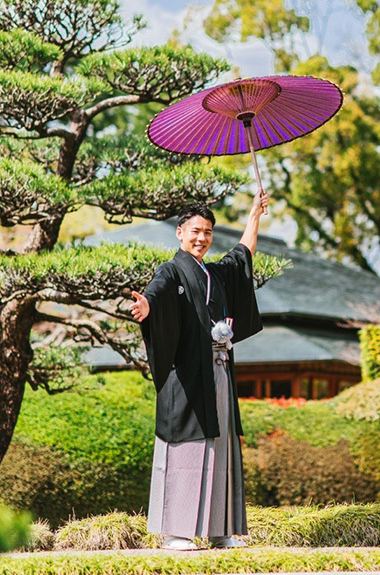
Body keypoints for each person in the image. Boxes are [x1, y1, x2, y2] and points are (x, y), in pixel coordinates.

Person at [128, 191, 269, 550]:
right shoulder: (171, 270)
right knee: (186, 449)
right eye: (194, 230)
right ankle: (176, 531)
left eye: (207, 231)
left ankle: (221, 531)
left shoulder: (215, 273)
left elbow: (242, 257)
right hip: (187, 376)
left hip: (219, 371)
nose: (201, 237)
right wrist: (148, 307)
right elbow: (156, 294)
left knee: (221, 446)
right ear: (179, 232)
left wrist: (254, 215)